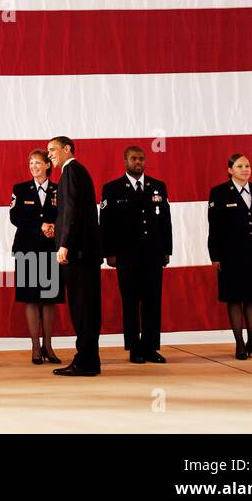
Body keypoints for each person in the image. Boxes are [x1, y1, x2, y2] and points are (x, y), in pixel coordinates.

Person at [99, 146, 172, 364]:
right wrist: (109, 253)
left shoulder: (158, 187)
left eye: (141, 158)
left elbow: (165, 222)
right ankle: (134, 348)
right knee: (130, 303)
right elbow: (106, 225)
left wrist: (167, 250)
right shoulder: (112, 189)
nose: (138, 162)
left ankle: (151, 347)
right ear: (125, 162)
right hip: (126, 255)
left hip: (152, 254)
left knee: (152, 302)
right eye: (133, 158)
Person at [206, 153, 252, 360]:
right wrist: (215, 256)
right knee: (234, 299)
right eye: (240, 166)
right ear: (230, 170)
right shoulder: (219, 192)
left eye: (248, 166)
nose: (245, 169)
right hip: (230, 256)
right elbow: (214, 227)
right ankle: (239, 345)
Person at [47, 136, 102, 376]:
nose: (50, 155)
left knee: (82, 308)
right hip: (86, 253)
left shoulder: (70, 172)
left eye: (53, 150)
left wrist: (64, 244)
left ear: (67, 149)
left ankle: (86, 362)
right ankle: (89, 359)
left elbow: (70, 211)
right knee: (87, 308)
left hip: (78, 254)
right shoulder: (78, 171)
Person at [8, 149, 62, 365]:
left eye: (38, 163)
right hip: (26, 248)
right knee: (30, 298)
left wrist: (55, 228)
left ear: (48, 165)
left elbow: (66, 214)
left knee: (49, 300)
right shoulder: (20, 189)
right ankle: (35, 347)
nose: (34, 166)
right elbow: (15, 216)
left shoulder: (59, 189)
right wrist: (40, 226)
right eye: (31, 163)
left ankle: (48, 345)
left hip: (51, 249)